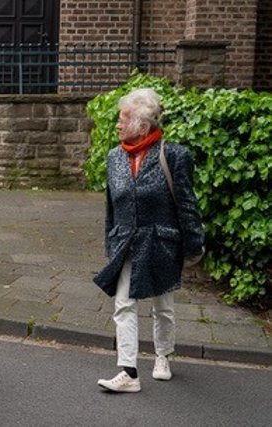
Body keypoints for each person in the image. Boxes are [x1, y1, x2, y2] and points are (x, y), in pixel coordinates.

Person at [94, 88, 204, 393]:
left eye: (122, 119)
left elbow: (186, 203)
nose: (117, 124)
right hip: (127, 242)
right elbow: (111, 206)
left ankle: (162, 355)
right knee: (123, 304)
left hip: (161, 242)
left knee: (162, 306)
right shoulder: (115, 157)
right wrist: (110, 241)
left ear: (142, 126)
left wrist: (193, 245)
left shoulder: (174, 155)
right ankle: (128, 371)